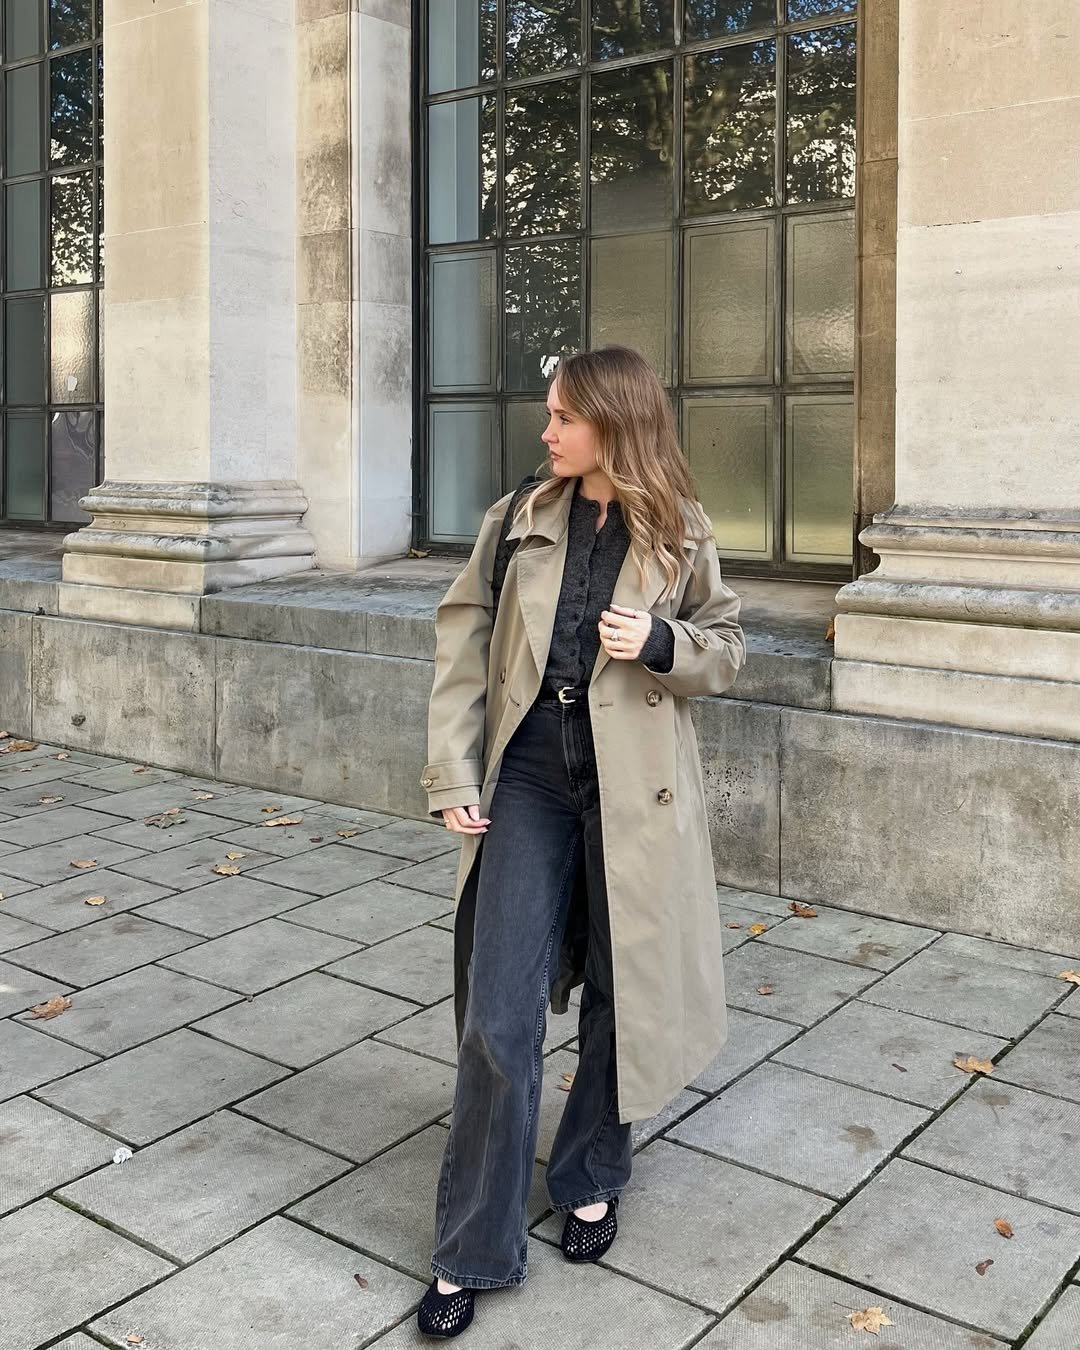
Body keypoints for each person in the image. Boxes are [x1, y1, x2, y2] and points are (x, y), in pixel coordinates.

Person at [416, 345, 746, 1338]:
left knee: (622, 989)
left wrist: (661, 644)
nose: (547, 429)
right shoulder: (516, 520)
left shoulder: (680, 528)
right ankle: (472, 1246)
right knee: (498, 1012)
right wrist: (452, 773)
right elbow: (462, 645)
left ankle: (592, 1170)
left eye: (564, 416)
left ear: (615, 423)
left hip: (632, 790)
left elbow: (727, 649)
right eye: (550, 414)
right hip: (527, 780)